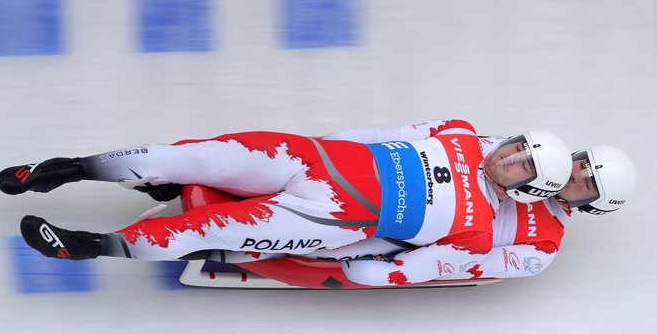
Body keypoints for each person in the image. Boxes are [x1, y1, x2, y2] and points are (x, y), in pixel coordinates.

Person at [0, 119, 573, 285]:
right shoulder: (459, 132)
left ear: (530, 189)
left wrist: (359, 268)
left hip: (330, 218)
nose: (511, 157)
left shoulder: (478, 231)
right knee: (195, 155)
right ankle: (63, 170)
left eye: (523, 165)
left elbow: (412, 269)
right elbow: (379, 134)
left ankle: (88, 247)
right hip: (314, 159)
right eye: (518, 146)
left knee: (207, 227)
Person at [212, 144, 636, 287]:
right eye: (583, 164)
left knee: (351, 238)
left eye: (589, 184)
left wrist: (398, 271)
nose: (578, 175)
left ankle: (237, 250)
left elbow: (468, 265)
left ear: (593, 204)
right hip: (395, 191)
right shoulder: (526, 158)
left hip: (407, 235)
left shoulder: (542, 248)